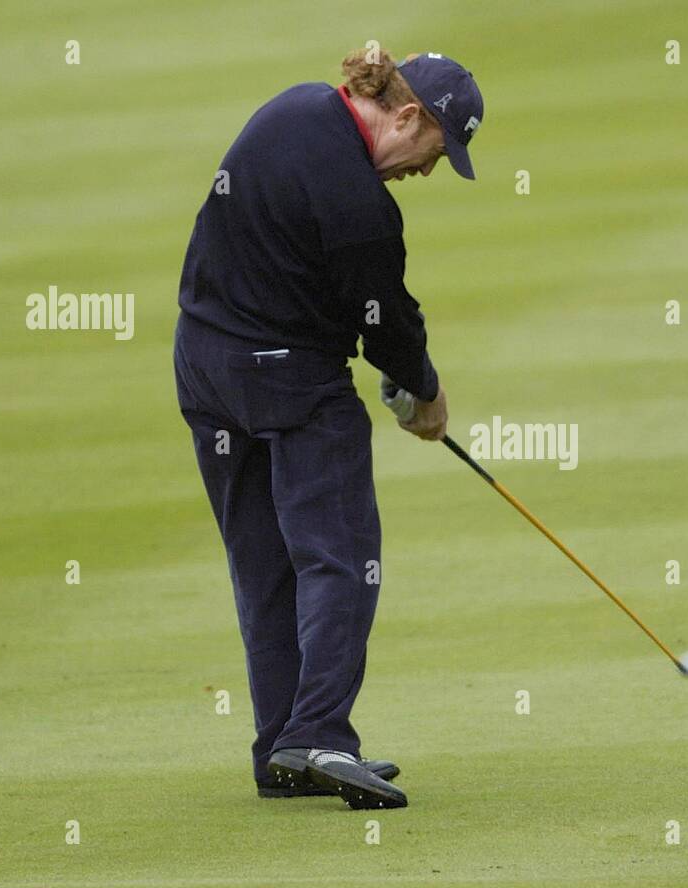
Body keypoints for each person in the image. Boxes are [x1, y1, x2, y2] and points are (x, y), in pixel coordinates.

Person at [172, 49, 484, 809]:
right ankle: (318, 735)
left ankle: (281, 748)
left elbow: (329, 282)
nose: (426, 171)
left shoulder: (296, 106)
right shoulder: (364, 210)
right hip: (289, 382)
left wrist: (384, 352)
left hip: (204, 366)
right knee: (339, 559)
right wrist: (425, 392)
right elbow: (384, 318)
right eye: (435, 152)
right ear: (408, 115)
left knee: (265, 563)